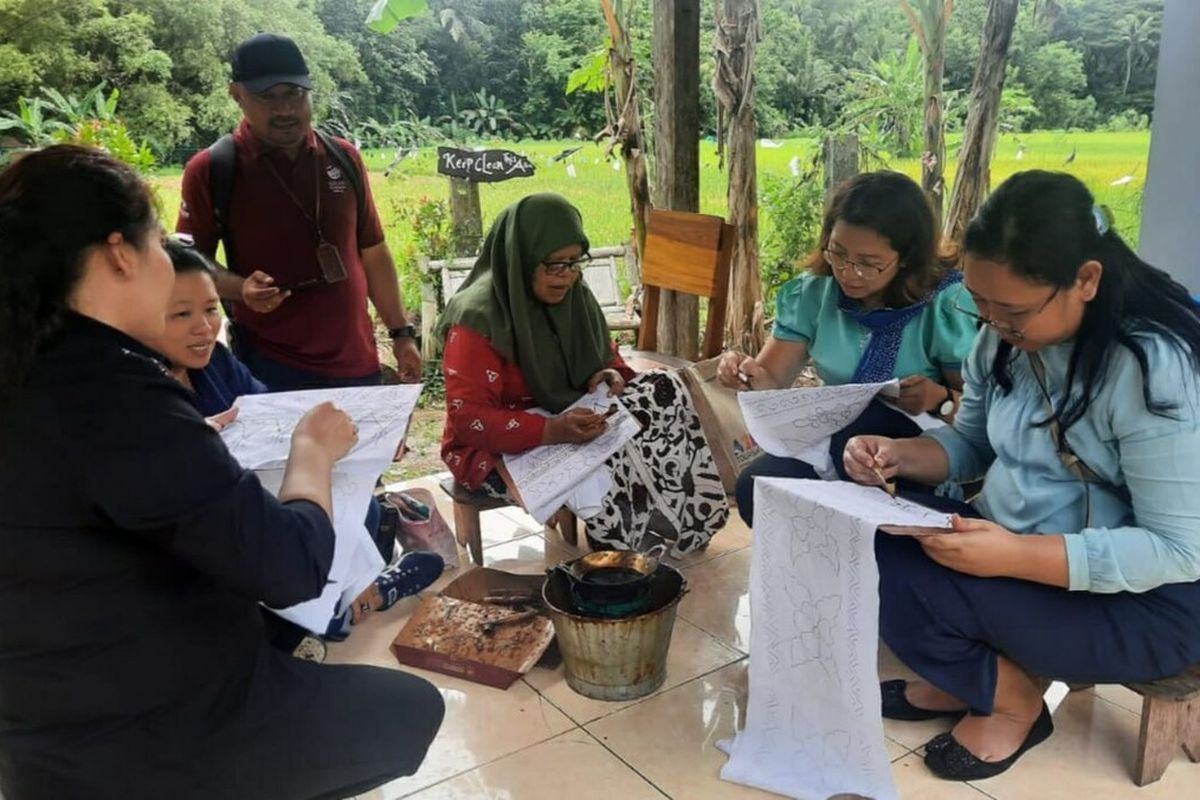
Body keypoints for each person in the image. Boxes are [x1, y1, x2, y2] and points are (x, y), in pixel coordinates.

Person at [0, 145, 443, 799]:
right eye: (158, 242)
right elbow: (289, 566)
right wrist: (311, 454)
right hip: (151, 734)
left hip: (43, 723)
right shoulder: (113, 389)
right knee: (410, 710)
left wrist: (193, 448)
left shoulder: (32, 366)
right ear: (121, 253)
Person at [843, 170, 1200, 781]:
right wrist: (898, 457)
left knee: (913, 585)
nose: (991, 323)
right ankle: (969, 680)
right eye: (979, 303)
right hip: (1019, 546)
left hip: (1148, 602)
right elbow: (972, 445)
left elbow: (1179, 549)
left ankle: (1014, 704)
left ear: (1086, 280)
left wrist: (1013, 556)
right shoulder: (1000, 341)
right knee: (864, 535)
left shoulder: (1149, 368)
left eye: (1010, 310)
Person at [151, 240, 444, 642]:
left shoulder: (214, 363)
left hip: (265, 491)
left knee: (361, 512)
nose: (204, 327)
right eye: (181, 314)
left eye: (211, 309)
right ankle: (368, 595)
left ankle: (355, 598)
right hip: (223, 524)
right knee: (302, 562)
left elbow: (276, 412)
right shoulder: (143, 400)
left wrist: (372, 439)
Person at [437, 193, 729, 555]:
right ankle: (619, 552)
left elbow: (608, 359)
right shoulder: (478, 319)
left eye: (576, 262)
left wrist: (611, 374)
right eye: (554, 265)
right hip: (498, 448)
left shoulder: (576, 296)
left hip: (574, 419)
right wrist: (550, 431)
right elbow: (469, 419)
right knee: (610, 465)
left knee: (664, 389)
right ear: (522, 259)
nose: (567, 276)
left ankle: (679, 521)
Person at [717, 171, 978, 524]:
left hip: (915, 453)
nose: (848, 272)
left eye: (869, 263)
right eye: (838, 253)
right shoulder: (813, 294)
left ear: (906, 258)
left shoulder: (946, 306)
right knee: (757, 487)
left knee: (870, 427)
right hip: (833, 442)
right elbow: (771, 380)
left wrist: (938, 397)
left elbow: (982, 418)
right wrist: (744, 372)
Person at [176, 32, 420, 391]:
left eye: (295, 95)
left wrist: (401, 334)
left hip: (357, 361)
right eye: (268, 98)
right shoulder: (214, 169)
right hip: (269, 368)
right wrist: (241, 288)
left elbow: (373, 251)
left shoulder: (343, 157)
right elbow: (187, 264)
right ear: (237, 95)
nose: (285, 110)